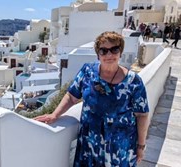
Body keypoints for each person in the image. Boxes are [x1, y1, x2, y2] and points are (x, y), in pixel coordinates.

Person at [34, 31, 150, 167]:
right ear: (98, 54)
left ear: (120, 52)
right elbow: (71, 97)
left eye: (114, 49)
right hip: (90, 145)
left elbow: (142, 115)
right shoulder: (88, 72)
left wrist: (141, 146)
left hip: (119, 149)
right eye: (104, 51)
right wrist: (55, 115)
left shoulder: (133, 81)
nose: (109, 55)